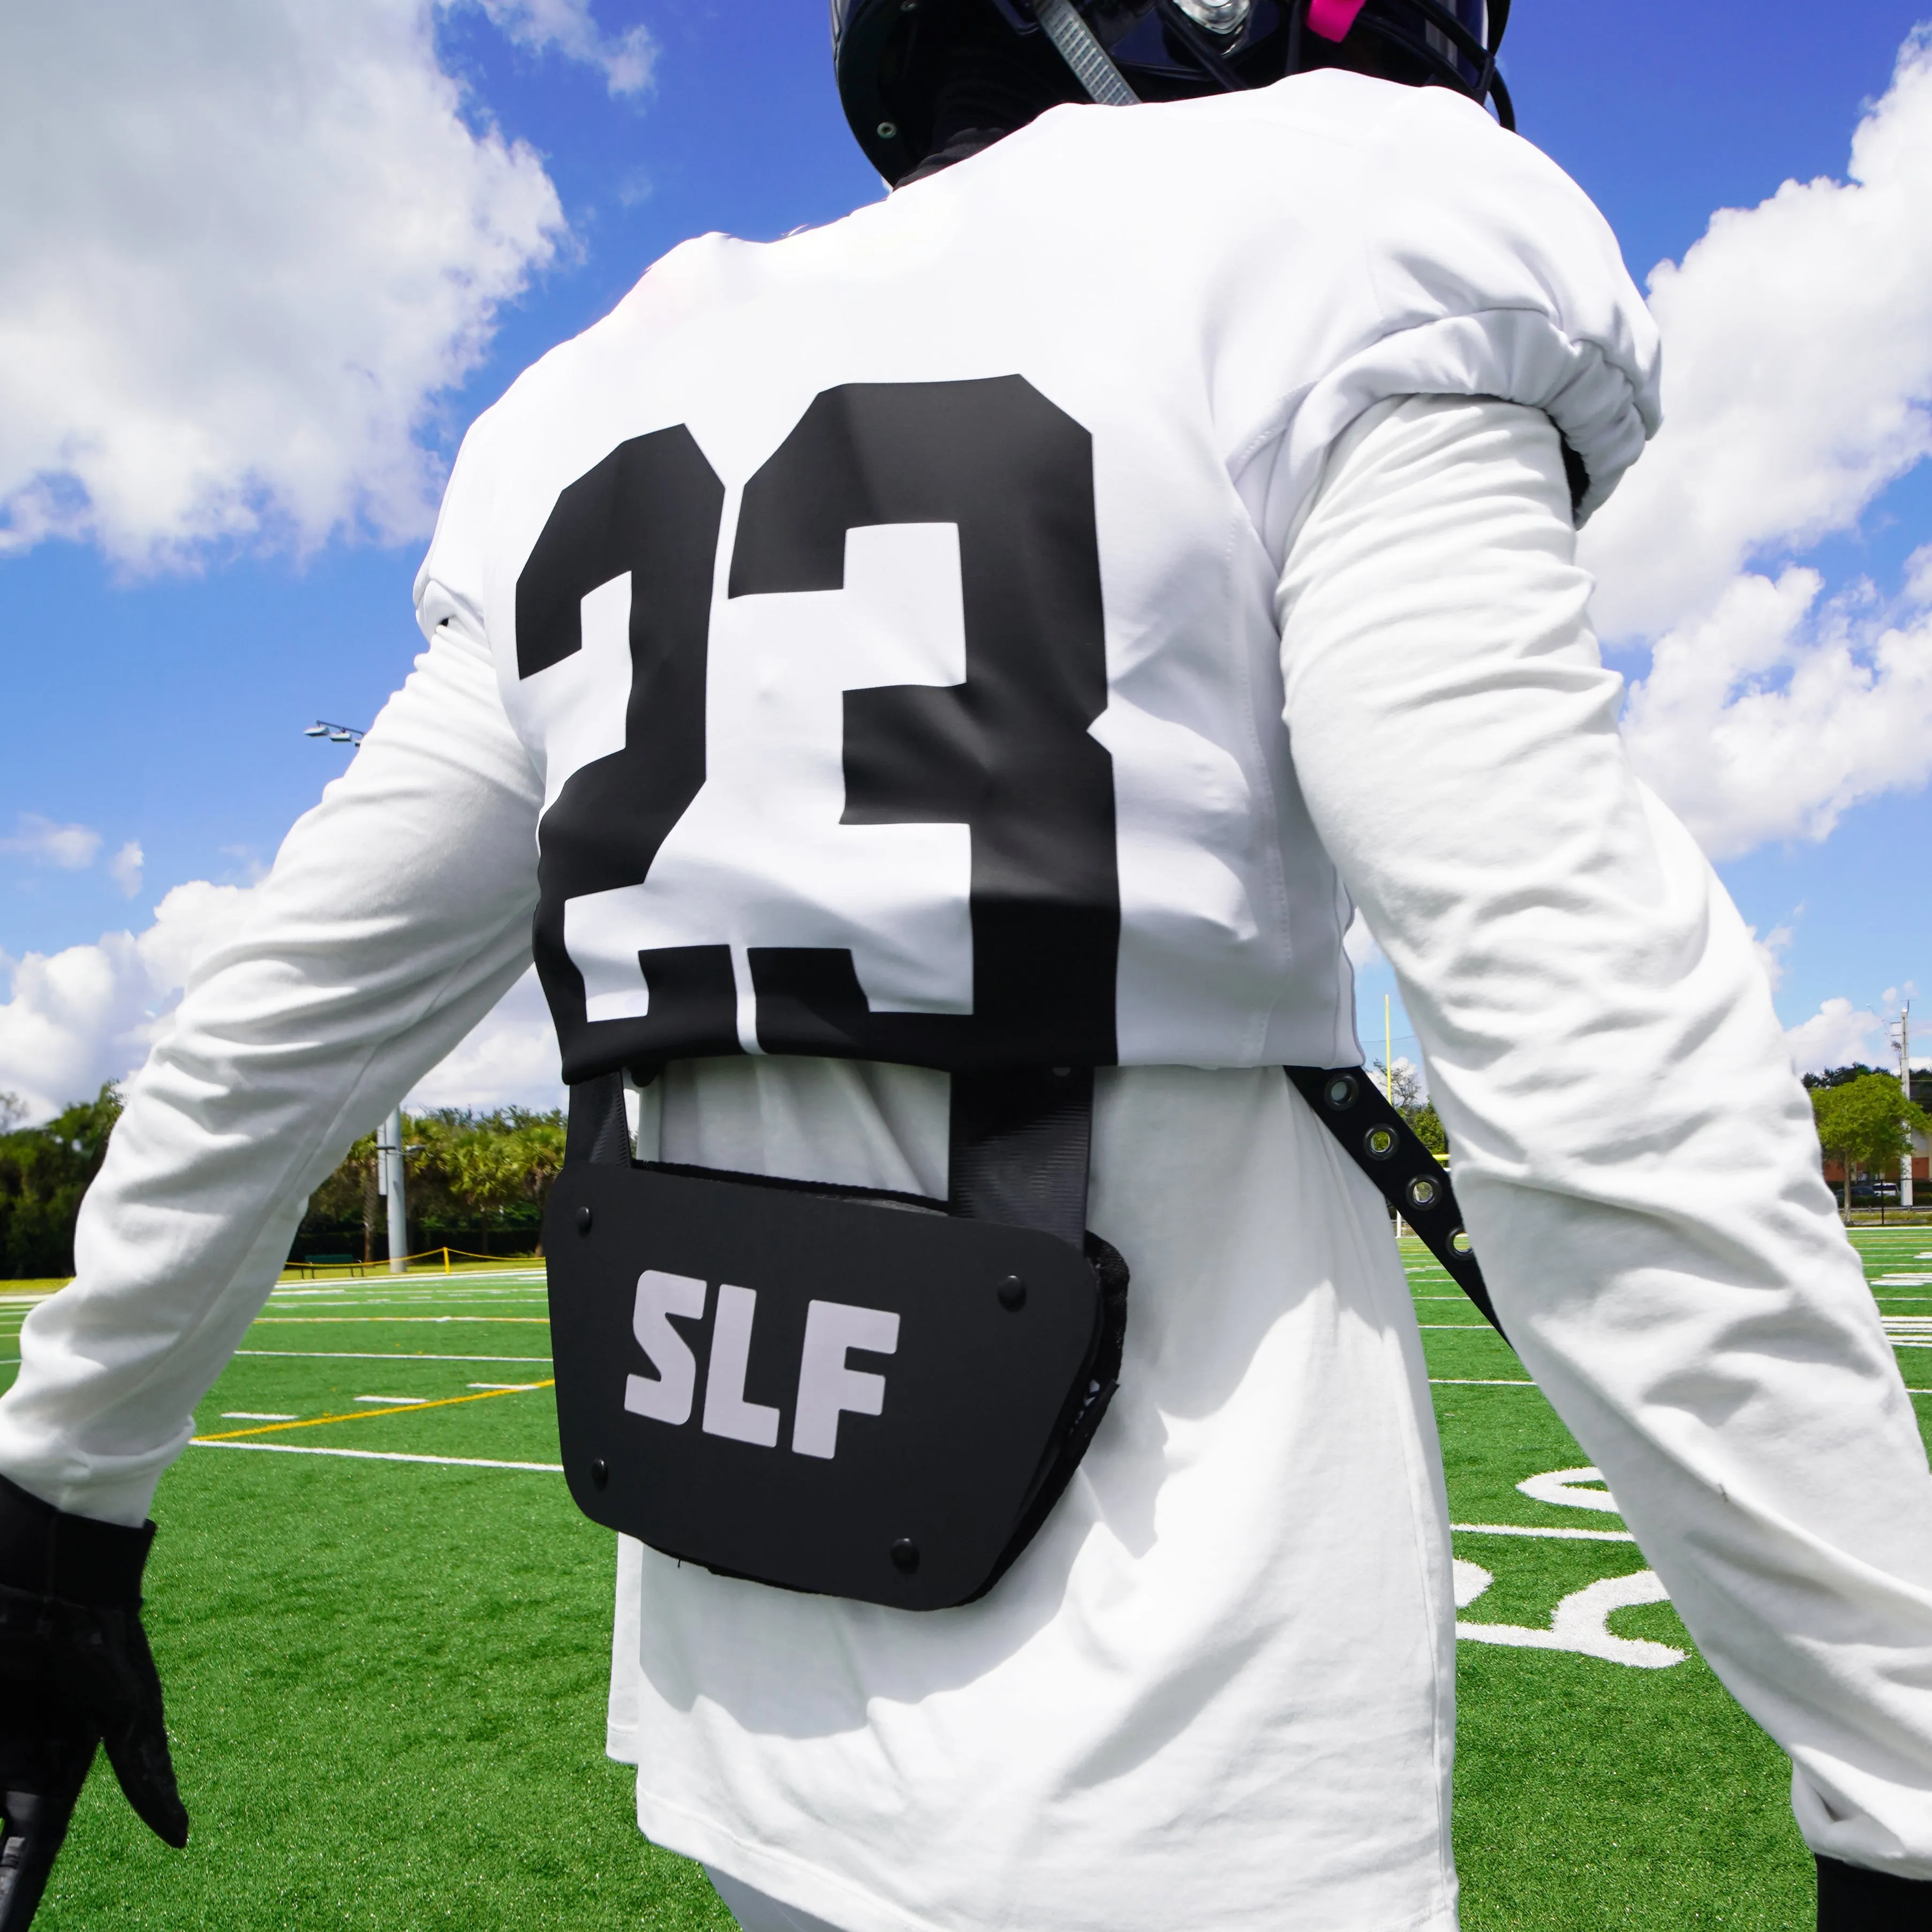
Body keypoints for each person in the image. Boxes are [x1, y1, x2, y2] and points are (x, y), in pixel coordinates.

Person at [2, 2, 1930, 1927]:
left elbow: (277, 1026)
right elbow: (1588, 1039)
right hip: (1181, 1756)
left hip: (749, 1717)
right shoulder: (1326, 225)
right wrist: (1902, 1765)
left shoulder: (601, 388)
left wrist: (57, 1505)